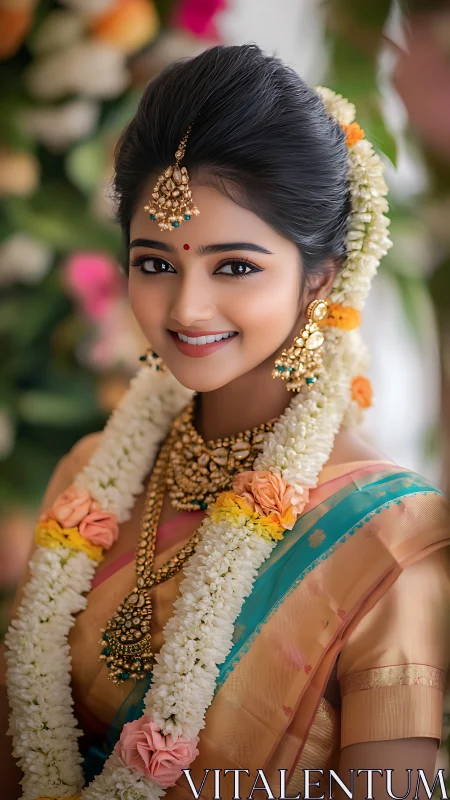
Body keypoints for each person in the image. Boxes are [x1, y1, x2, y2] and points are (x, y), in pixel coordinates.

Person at [1, 44, 450, 800]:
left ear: (321, 277)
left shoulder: (394, 537)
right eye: (155, 263)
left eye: (235, 266)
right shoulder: (89, 475)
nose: (186, 309)